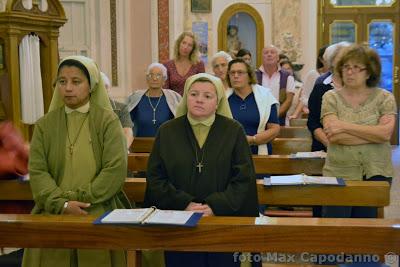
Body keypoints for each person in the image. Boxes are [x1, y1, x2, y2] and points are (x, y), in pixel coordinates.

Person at [22, 55, 131, 267]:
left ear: (91, 86)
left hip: (97, 207)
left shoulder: (108, 121)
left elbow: (115, 170)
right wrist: (61, 203)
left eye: (76, 81)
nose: (68, 88)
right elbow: (38, 171)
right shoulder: (45, 124)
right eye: (62, 82)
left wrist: (82, 198)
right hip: (53, 209)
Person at [144, 73, 259, 267]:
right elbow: (156, 178)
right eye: (194, 94)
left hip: (222, 222)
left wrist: (215, 206)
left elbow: (244, 179)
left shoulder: (233, 130)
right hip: (178, 222)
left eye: (207, 96)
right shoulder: (167, 131)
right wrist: (184, 203)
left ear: (218, 102)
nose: (199, 100)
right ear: (186, 97)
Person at [321, 44, 397, 218]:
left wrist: (345, 126)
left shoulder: (385, 98)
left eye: (356, 67)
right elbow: (334, 135)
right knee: (336, 230)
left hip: (375, 171)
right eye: (346, 67)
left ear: (369, 72)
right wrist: (373, 134)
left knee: (367, 232)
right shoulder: (331, 97)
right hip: (339, 172)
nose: (349, 72)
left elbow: (385, 134)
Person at [227, 58, 280, 155]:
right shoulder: (224, 98)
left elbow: (274, 129)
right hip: (230, 152)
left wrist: (253, 140)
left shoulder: (265, 96)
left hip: (259, 151)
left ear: (249, 75)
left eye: (240, 72)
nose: (235, 76)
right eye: (232, 73)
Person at [307, 41, 351, 152]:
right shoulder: (321, 86)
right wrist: (329, 144)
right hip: (325, 148)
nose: (345, 63)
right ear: (332, 62)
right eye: (341, 59)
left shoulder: (357, 86)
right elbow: (313, 122)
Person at [126, 63, 182, 137]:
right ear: (147, 79)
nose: (154, 78)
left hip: (166, 144)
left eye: (158, 75)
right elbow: (126, 123)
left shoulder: (173, 97)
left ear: (164, 79)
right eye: (151, 75)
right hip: (139, 144)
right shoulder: (135, 97)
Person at [255, 45, 296, 125]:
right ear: (262, 57)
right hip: (258, 121)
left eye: (272, 52)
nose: (269, 55)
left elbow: (289, 100)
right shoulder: (253, 76)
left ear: (277, 57)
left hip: (280, 122)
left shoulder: (288, 76)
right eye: (266, 53)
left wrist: (274, 116)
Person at [289, 45, 328, 120]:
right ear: (321, 59)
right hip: (316, 114)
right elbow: (304, 97)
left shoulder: (339, 75)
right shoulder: (314, 74)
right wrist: (295, 114)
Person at [101, 72, 134, 149]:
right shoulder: (87, 107)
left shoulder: (121, 108)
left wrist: (123, 150)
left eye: (105, 88)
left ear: (107, 88)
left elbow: (127, 132)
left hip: (116, 149)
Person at [280, 60, 303, 125]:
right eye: (284, 69)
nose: (287, 71)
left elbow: (301, 101)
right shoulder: (278, 85)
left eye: (288, 69)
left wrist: (295, 114)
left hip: (294, 118)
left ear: (292, 70)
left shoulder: (300, 86)